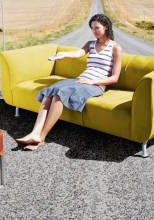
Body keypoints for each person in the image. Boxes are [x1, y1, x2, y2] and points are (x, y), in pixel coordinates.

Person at [15, 13, 122, 151]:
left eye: (97, 28)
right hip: (81, 80)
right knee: (50, 90)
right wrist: (64, 54)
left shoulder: (115, 48)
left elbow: (115, 78)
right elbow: (78, 53)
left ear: (106, 27)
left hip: (96, 85)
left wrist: (93, 82)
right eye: (92, 28)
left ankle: (41, 137)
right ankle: (34, 133)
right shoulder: (91, 44)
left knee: (61, 93)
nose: (94, 31)